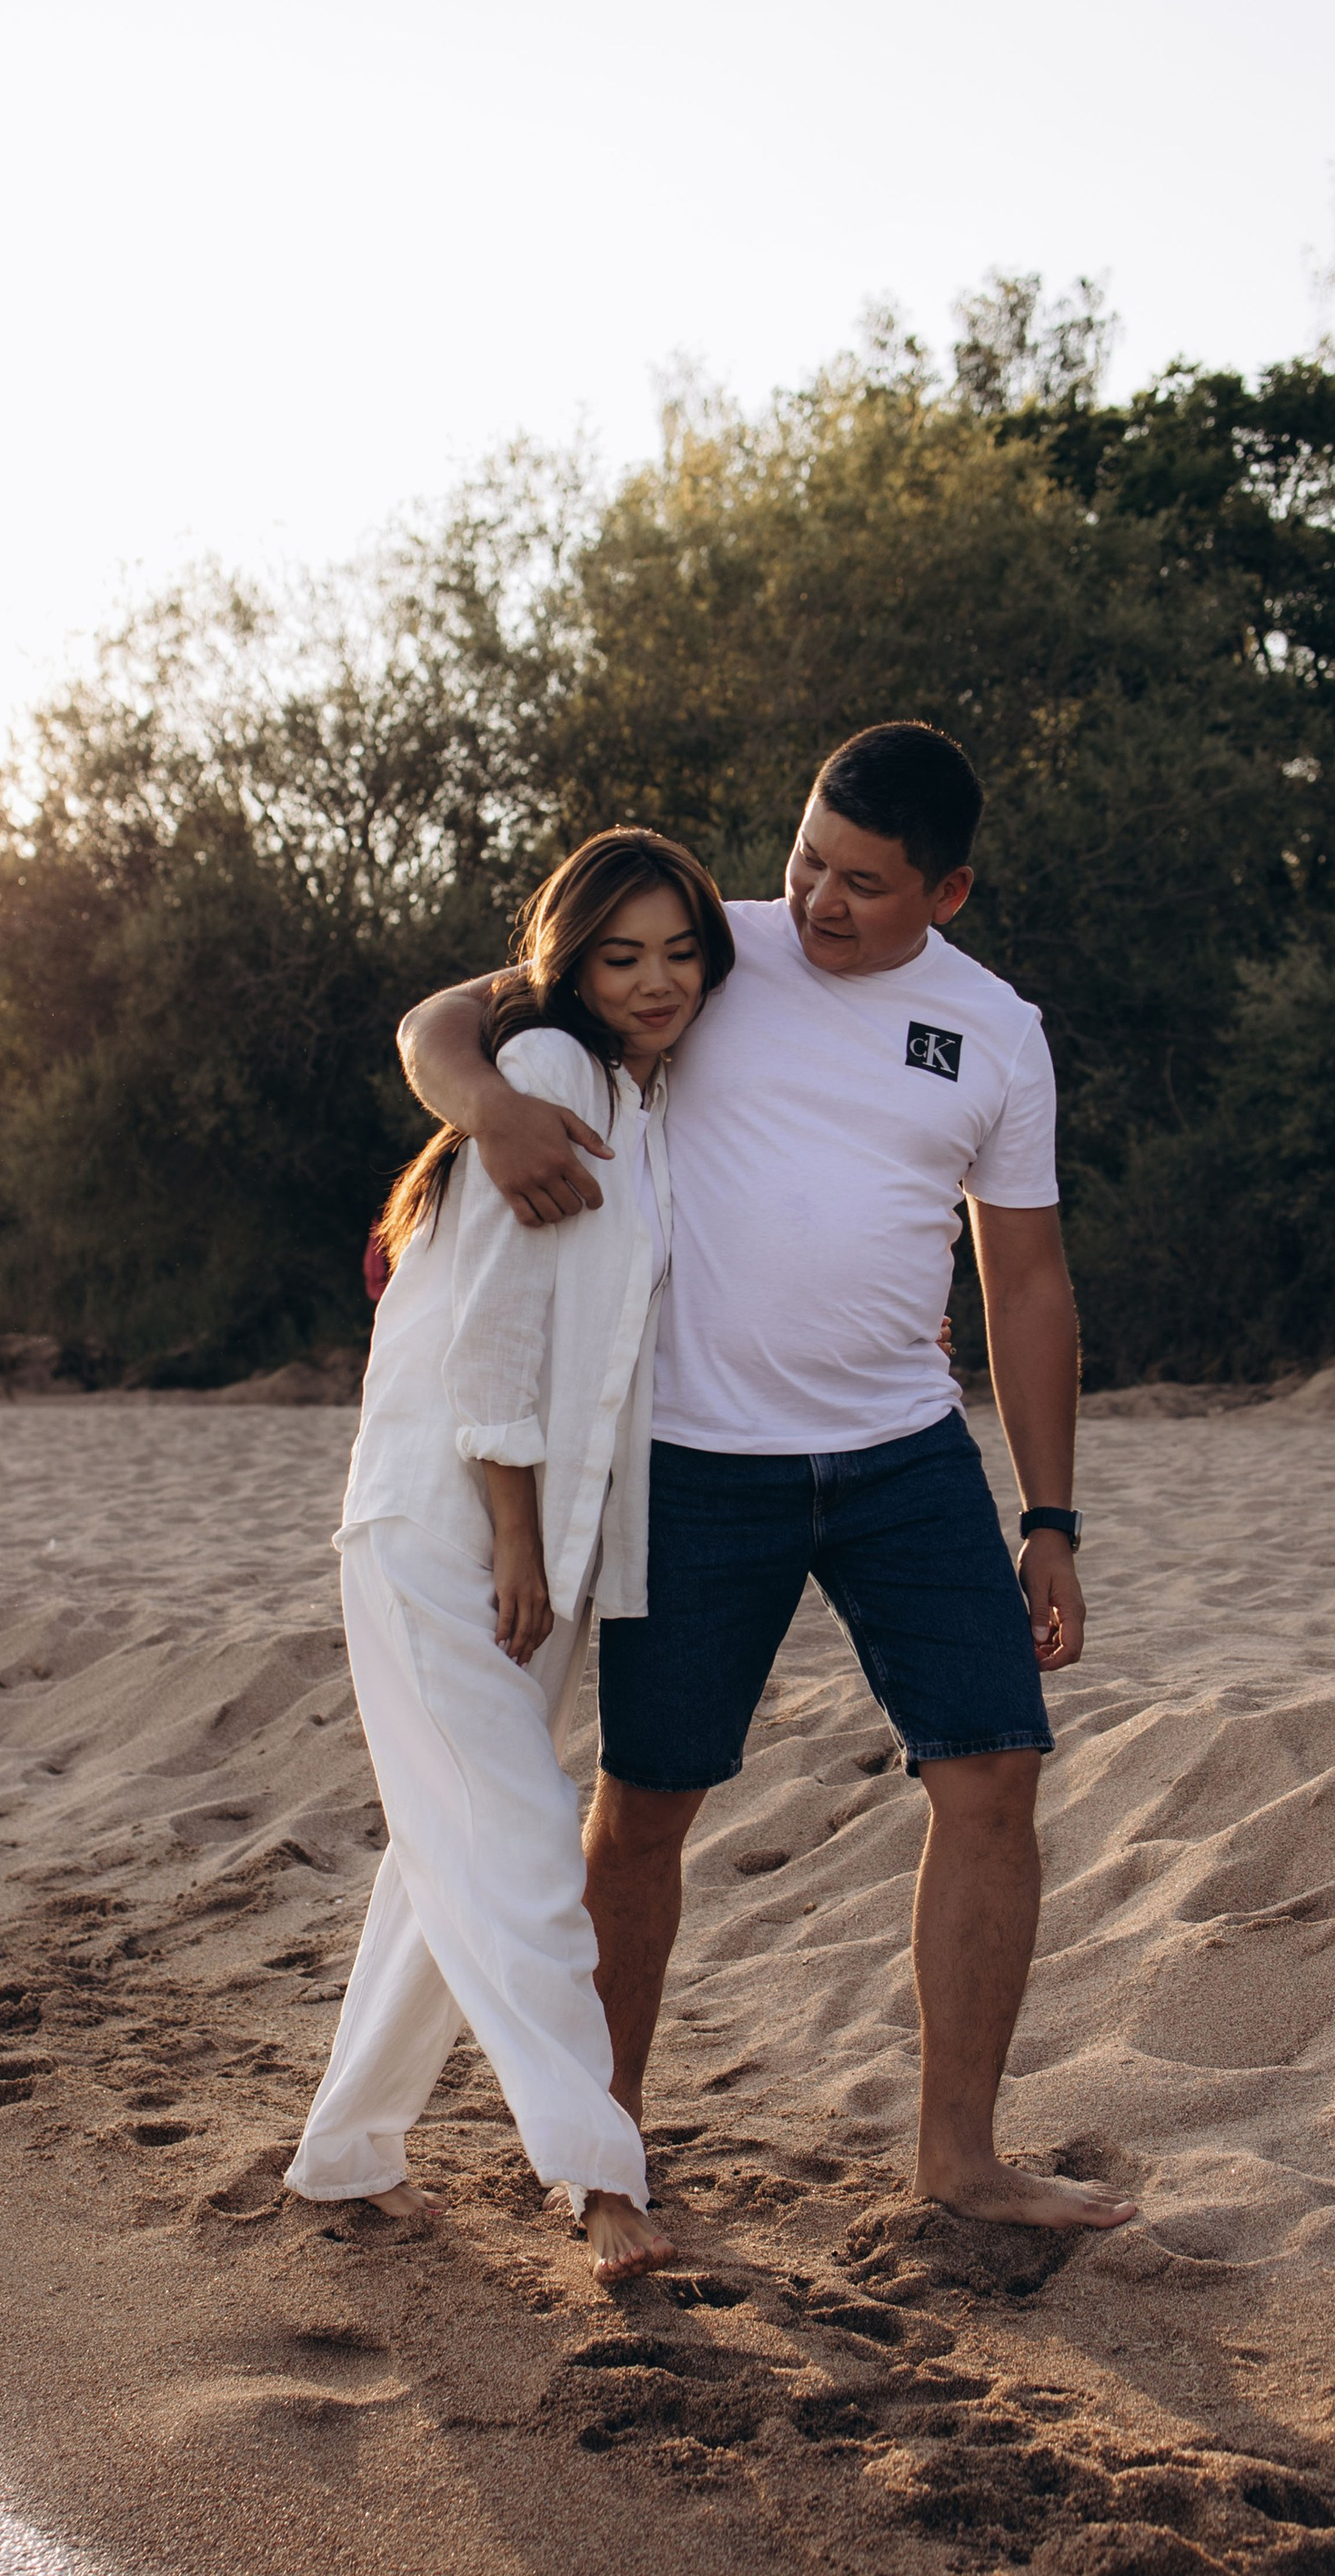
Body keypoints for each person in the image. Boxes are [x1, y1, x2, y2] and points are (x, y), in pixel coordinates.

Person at [397, 723, 1135, 2236]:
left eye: (863, 884)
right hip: (693, 1459)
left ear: (951, 892)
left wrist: (1048, 1515)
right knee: (648, 1806)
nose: (815, 902)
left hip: (904, 1457)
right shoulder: (700, 952)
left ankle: (960, 2160)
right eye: (807, 859)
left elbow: (1030, 1279)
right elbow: (437, 1024)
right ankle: (607, 2164)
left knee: (994, 1772)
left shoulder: (998, 1033)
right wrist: (488, 1107)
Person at [286, 828, 736, 2283]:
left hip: (547, 1543)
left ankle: (347, 2157)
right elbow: (494, 1330)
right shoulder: (544, 1077)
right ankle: (601, 2177)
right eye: (622, 955)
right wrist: (516, 1535)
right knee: (527, 1849)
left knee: (445, 1862)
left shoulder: (630, 1095)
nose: (657, 980)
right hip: (453, 1530)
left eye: (680, 953)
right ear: (570, 963)